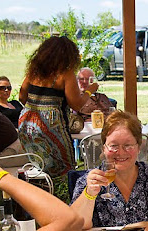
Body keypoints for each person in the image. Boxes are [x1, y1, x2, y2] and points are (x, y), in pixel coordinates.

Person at [18, 36, 98, 177]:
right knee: (65, 168)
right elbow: (76, 104)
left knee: (40, 165)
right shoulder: (65, 74)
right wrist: (89, 90)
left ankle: (42, 190)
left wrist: (35, 107)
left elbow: (21, 97)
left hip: (26, 123)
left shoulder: (34, 72)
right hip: (50, 124)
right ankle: (62, 195)